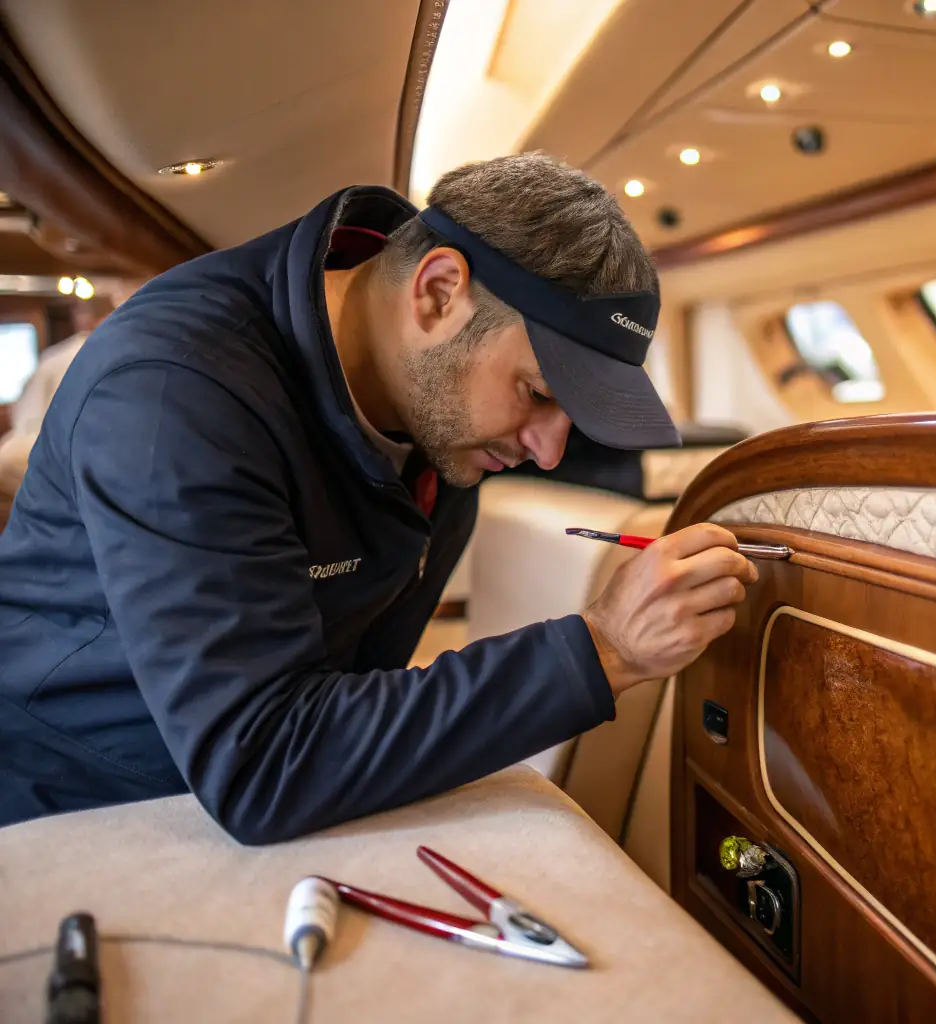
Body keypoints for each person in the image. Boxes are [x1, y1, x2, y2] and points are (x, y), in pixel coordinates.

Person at [0, 154, 758, 843]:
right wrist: (603, 649)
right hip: (72, 815)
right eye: (535, 393)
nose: (549, 450)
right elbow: (264, 763)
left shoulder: (437, 430)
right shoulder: (177, 390)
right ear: (436, 293)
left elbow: (353, 695)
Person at [0, 299, 113, 527]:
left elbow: (19, 412)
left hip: (26, 450)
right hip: (57, 453)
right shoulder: (111, 349)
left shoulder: (57, 355)